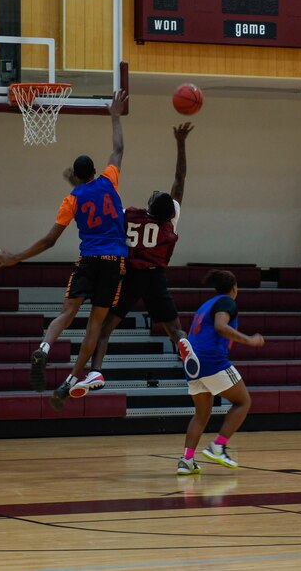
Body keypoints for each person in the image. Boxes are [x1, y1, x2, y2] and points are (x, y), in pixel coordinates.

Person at [0, 89, 129, 409]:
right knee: (96, 324)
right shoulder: (109, 180)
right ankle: (70, 381)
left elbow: (50, 240)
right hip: (115, 260)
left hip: (89, 259)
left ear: (77, 177)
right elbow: (118, 149)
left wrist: (16, 258)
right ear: (94, 171)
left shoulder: (73, 199)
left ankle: (45, 349)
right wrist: (115, 116)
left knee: (67, 312)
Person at [75, 122, 200, 398]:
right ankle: (184, 346)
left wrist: (77, 184)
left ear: (150, 205)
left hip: (129, 277)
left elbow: (98, 200)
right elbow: (179, 179)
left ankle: (96, 370)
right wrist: (180, 142)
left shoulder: (127, 215)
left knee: (105, 329)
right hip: (156, 278)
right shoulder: (170, 220)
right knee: (175, 329)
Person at [177, 269, 264, 476]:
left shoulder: (205, 305)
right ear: (234, 288)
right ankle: (218, 446)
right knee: (243, 402)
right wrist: (249, 340)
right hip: (212, 361)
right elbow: (221, 327)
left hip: (193, 363)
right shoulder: (226, 302)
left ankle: (186, 460)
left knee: (201, 414)